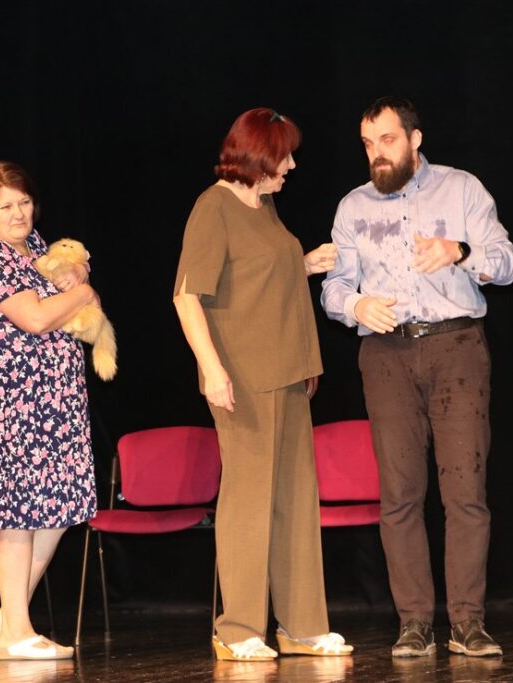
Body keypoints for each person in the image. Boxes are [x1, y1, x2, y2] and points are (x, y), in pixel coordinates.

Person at [321, 96, 513, 658]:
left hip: (456, 348)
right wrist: (355, 305)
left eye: (387, 140)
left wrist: (460, 251)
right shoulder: (352, 206)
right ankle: (414, 623)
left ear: (414, 139)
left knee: (465, 494)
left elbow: (507, 264)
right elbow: (334, 286)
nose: (377, 154)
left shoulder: (462, 188)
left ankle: (467, 623)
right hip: (386, 355)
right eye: (368, 144)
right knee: (399, 496)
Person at [173, 108, 352, 661]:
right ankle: (238, 630)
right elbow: (186, 295)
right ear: (258, 156)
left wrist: (304, 264)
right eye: (284, 156)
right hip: (243, 378)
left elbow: (256, 275)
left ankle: (300, 625)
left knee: (295, 502)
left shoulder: (266, 206)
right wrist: (212, 369)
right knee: (248, 502)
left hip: (289, 373)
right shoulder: (213, 207)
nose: (291, 166)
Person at [0, 161, 98, 661]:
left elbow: (68, 306)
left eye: (24, 202)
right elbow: (35, 318)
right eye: (5, 206)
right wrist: (82, 291)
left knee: (59, 508)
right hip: (12, 406)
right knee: (18, 515)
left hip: (57, 402)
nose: (18, 214)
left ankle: (6, 618)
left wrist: (76, 285)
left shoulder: (37, 247)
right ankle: (17, 632)